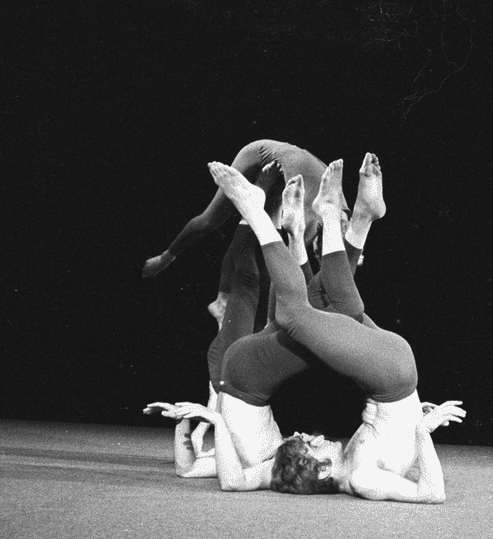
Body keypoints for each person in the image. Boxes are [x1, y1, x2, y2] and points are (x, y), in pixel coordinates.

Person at [160, 155, 465, 503]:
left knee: (334, 310)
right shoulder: (361, 478)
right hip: (388, 377)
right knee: (300, 315)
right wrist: (422, 432)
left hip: (389, 373)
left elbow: (190, 469)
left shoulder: (317, 469)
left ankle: (346, 217)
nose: (309, 436)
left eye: (305, 442)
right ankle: (287, 215)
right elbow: (431, 494)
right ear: (319, 469)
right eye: (309, 445)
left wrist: (190, 421)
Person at [146, 159, 382, 481]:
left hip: (248, 378)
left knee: (335, 312)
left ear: (314, 468)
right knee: (316, 315)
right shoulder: (275, 460)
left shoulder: (270, 471)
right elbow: (187, 470)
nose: (314, 437)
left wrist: (200, 420)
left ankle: (268, 215)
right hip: (250, 368)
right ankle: (300, 232)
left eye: (317, 446)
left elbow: (213, 477)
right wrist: (187, 422)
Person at [141, 139, 335, 280]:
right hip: (259, 155)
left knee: (264, 239)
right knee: (209, 220)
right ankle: (167, 256)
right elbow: (288, 269)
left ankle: (224, 298)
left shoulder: (338, 217)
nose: (314, 253)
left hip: (284, 174)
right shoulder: (314, 221)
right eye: (318, 253)